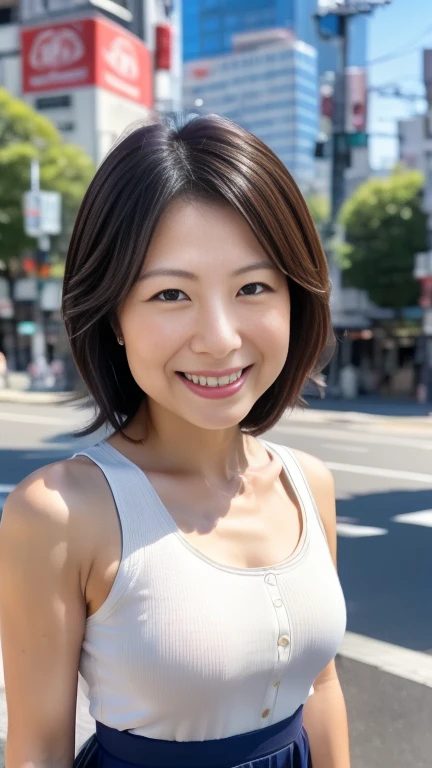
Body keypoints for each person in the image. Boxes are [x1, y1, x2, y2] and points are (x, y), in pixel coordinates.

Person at [0, 115, 349, 768]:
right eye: (169, 293)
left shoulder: (310, 484)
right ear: (115, 318)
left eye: (253, 287)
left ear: (295, 299)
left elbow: (322, 687)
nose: (218, 337)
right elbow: (37, 750)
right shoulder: (59, 513)